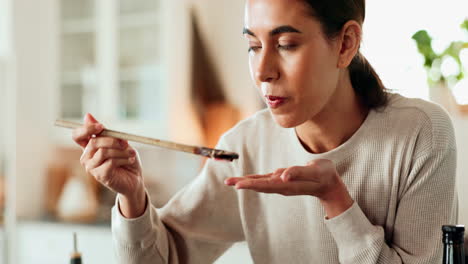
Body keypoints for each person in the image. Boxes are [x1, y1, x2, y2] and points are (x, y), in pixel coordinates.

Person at [72, 0, 458, 263]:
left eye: (286, 44)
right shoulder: (244, 147)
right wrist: (132, 195)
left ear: (346, 43)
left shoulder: (421, 133)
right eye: (253, 46)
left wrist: (336, 201)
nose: (262, 72)